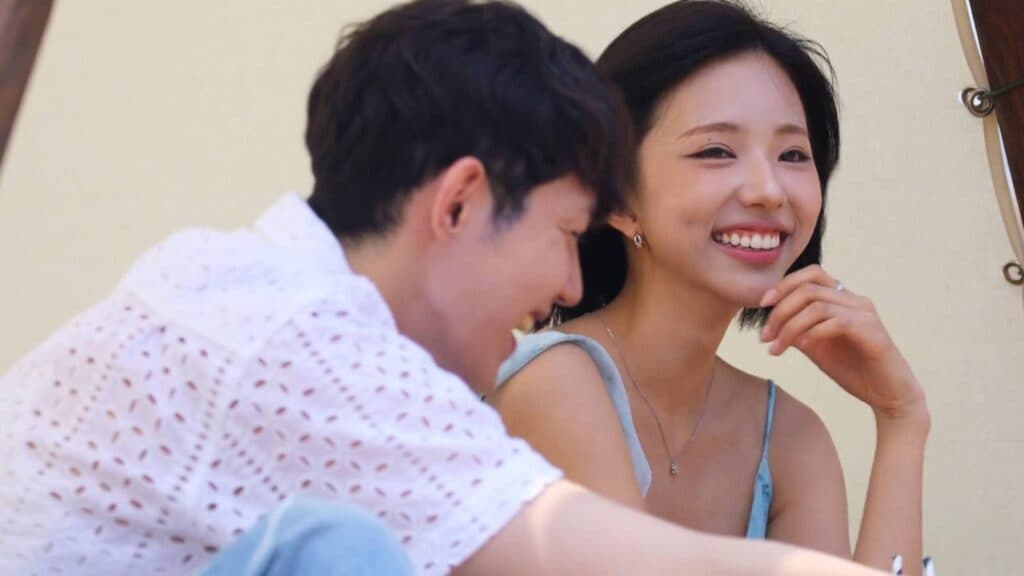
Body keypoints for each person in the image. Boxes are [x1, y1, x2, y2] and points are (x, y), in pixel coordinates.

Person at [0, 0, 889, 574]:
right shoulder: (301, 339)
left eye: (794, 153)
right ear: (462, 202)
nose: (568, 283)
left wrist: (904, 420)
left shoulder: (245, 284)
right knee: (338, 555)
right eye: (567, 233)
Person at [491, 1, 930, 573]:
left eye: (793, 154)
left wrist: (901, 419)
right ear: (618, 197)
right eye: (716, 151)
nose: (769, 190)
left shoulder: (789, 437)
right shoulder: (556, 381)